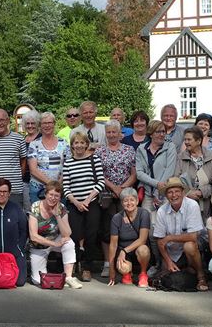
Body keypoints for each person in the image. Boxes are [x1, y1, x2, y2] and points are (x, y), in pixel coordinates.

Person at [95, 120, 137, 279]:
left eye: (114, 132)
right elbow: (99, 174)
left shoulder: (129, 150)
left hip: (125, 195)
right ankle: (108, 263)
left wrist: (122, 189)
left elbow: (134, 173)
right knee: (107, 228)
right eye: (109, 132)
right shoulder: (100, 151)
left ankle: (125, 262)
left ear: (120, 133)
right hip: (106, 194)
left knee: (127, 227)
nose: (112, 135)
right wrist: (114, 188)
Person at [62, 131, 105, 282]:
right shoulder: (68, 162)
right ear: (72, 145)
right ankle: (74, 264)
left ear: (86, 144)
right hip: (74, 205)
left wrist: (87, 200)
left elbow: (101, 182)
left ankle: (87, 267)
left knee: (91, 236)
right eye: (76, 143)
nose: (79, 145)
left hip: (91, 204)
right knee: (73, 236)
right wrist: (76, 202)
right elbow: (66, 187)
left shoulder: (95, 160)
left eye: (82, 143)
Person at [153, 177, 208, 292]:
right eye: (170, 192)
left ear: (183, 192)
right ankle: (186, 269)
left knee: (189, 245)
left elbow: (193, 236)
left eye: (177, 191)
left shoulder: (192, 205)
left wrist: (170, 237)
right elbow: (160, 240)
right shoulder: (162, 211)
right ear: (166, 195)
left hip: (193, 247)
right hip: (172, 250)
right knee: (165, 276)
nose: (174, 195)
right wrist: (168, 261)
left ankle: (201, 276)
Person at [27, 181, 83, 289]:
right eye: (51, 195)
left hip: (55, 239)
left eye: (56, 196)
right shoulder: (35, 207)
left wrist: (57, 216)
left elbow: (67, 233)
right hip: (39, 244)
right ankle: (50, 276)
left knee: (69, 242)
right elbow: (33, 236)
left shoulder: (61, 208)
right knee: (38, 281)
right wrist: (54, 244)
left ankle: (68, 277)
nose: (53, 198)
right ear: (45, 194)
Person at [107, 188, 151, 287]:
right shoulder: (117, 218)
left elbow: (142, 239)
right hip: (124, 253)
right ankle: (127, 274)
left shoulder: (144, 214)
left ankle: (143, 274)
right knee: (123, 267)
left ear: (137, 201)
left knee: (143, 250)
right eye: (125, 200)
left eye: (132, 200)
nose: (129, 203)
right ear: (122, 203)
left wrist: (124, 251)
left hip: (137, 251)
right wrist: (111, 268)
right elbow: (113, 245)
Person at [175, 126, 212, 217]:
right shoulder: (180, 157)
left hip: (207, 203)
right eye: (185, 139)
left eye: (189, 139)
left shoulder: (210, 157)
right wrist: (188, 193)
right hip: (186, 203)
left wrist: (202, 192)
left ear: (198, 141)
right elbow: (176, 179)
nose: (186, 142)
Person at [136, 120, 178, 211]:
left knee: (165, 223)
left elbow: (169, 171)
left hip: (165, 194)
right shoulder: (141, 149)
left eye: (163, 131)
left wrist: (158, 192)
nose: (162, 134)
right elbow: (139, 173)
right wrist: (156, 184)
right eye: (158, 132)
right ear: (151, 134)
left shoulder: (170, 147)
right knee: (147, 222)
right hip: (148, 195)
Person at [27, 112, 68, 203]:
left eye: (50, 122)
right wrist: (51, 184)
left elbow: (68, 166)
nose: (47, 125)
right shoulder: (34, 144)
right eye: (44, 123)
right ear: (40, 126)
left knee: (58, 216)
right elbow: (33, 169)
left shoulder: (64, 143)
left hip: (59, 189)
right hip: (38, 190)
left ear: (54, 124)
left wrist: (57, 185)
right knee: (39, 216)